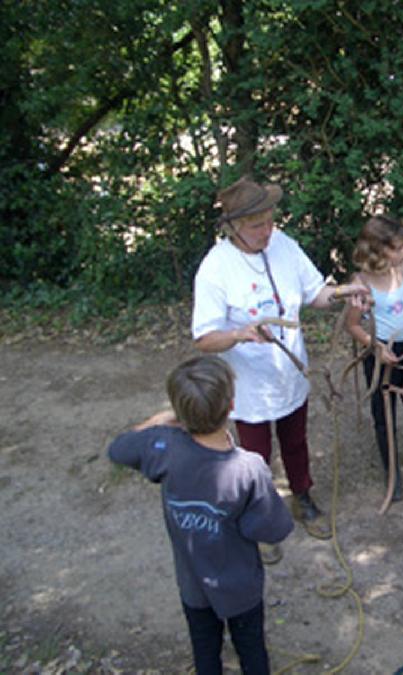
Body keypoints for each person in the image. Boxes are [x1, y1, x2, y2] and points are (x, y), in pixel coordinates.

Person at [192, 176, 370, 558]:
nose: (268, 231)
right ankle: (256, 519)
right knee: (253, 458)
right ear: (234, 226)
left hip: (289, 374)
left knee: (295, 440)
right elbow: (204, 339)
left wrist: (342, 293)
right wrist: (240, 334)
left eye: (271, 221)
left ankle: (302, 497)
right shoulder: (215, 268)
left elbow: (314, 294)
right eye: (258, 225)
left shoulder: (283, 244)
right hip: (248, 385)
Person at [108, 355, 294, 675]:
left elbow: (119, 448)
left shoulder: (163, 446)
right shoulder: (248, 467)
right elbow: (273, 529)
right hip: (240, 586)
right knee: (251, 649)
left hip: (193, 582)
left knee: (205, 650)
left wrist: (159, 420)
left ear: (179, 413)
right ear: (231, 405)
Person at [343, 215, 403, 501]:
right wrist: (375, 347)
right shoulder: (361, 282)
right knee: (384, 414)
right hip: (381, 354)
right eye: (398, 248)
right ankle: (392, 472)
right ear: (378, 249)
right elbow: (353, 325)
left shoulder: (400, 268)